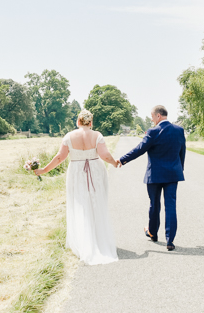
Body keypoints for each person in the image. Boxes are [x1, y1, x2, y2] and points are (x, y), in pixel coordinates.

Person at [34, 109, 120, 265]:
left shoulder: (69, 136)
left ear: (78, 121)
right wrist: (115, 163)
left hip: (76, 172)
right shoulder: (97, 135)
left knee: (80, 204)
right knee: (96, 204)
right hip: (96, 171)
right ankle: (99, 241)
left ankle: (84, 243)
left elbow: (60, 157)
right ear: (91, 122)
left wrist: (43, 170)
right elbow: (105, 155)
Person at [118, 105, 186, 251]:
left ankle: (153, 233)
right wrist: (180, 169)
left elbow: (139, 149)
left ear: (158, 116)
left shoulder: (153, 132)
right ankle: (170, 241)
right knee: (171, 206)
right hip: (173, 175)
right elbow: (182, 152)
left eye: (152, 116)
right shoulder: (179, 131)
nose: (151, 119)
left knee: (154, 205)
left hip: (154, 175)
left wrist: (123, 160)